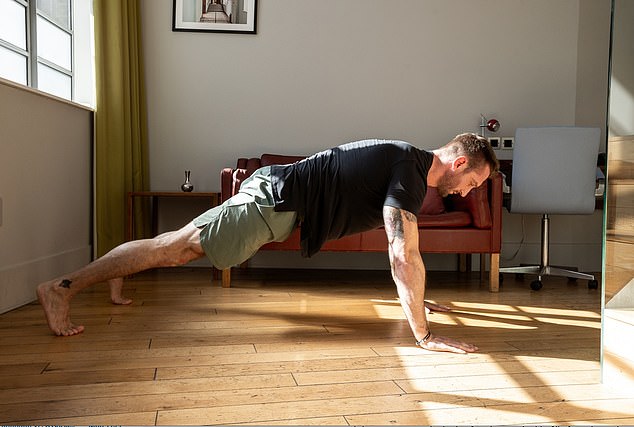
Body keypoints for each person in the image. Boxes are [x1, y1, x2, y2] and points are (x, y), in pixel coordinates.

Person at [37, 132, 498, 354]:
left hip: (275, 199)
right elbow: (402, 253)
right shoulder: (412, 174)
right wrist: (424, 333)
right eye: (475, 181)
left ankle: (113, 277)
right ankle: (63, 287)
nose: (471, 191)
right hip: (273, 204)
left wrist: (417, 298)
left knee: (170, 245)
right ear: (459, 162)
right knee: (174, 249)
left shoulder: (409, 161)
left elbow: (402, 252)